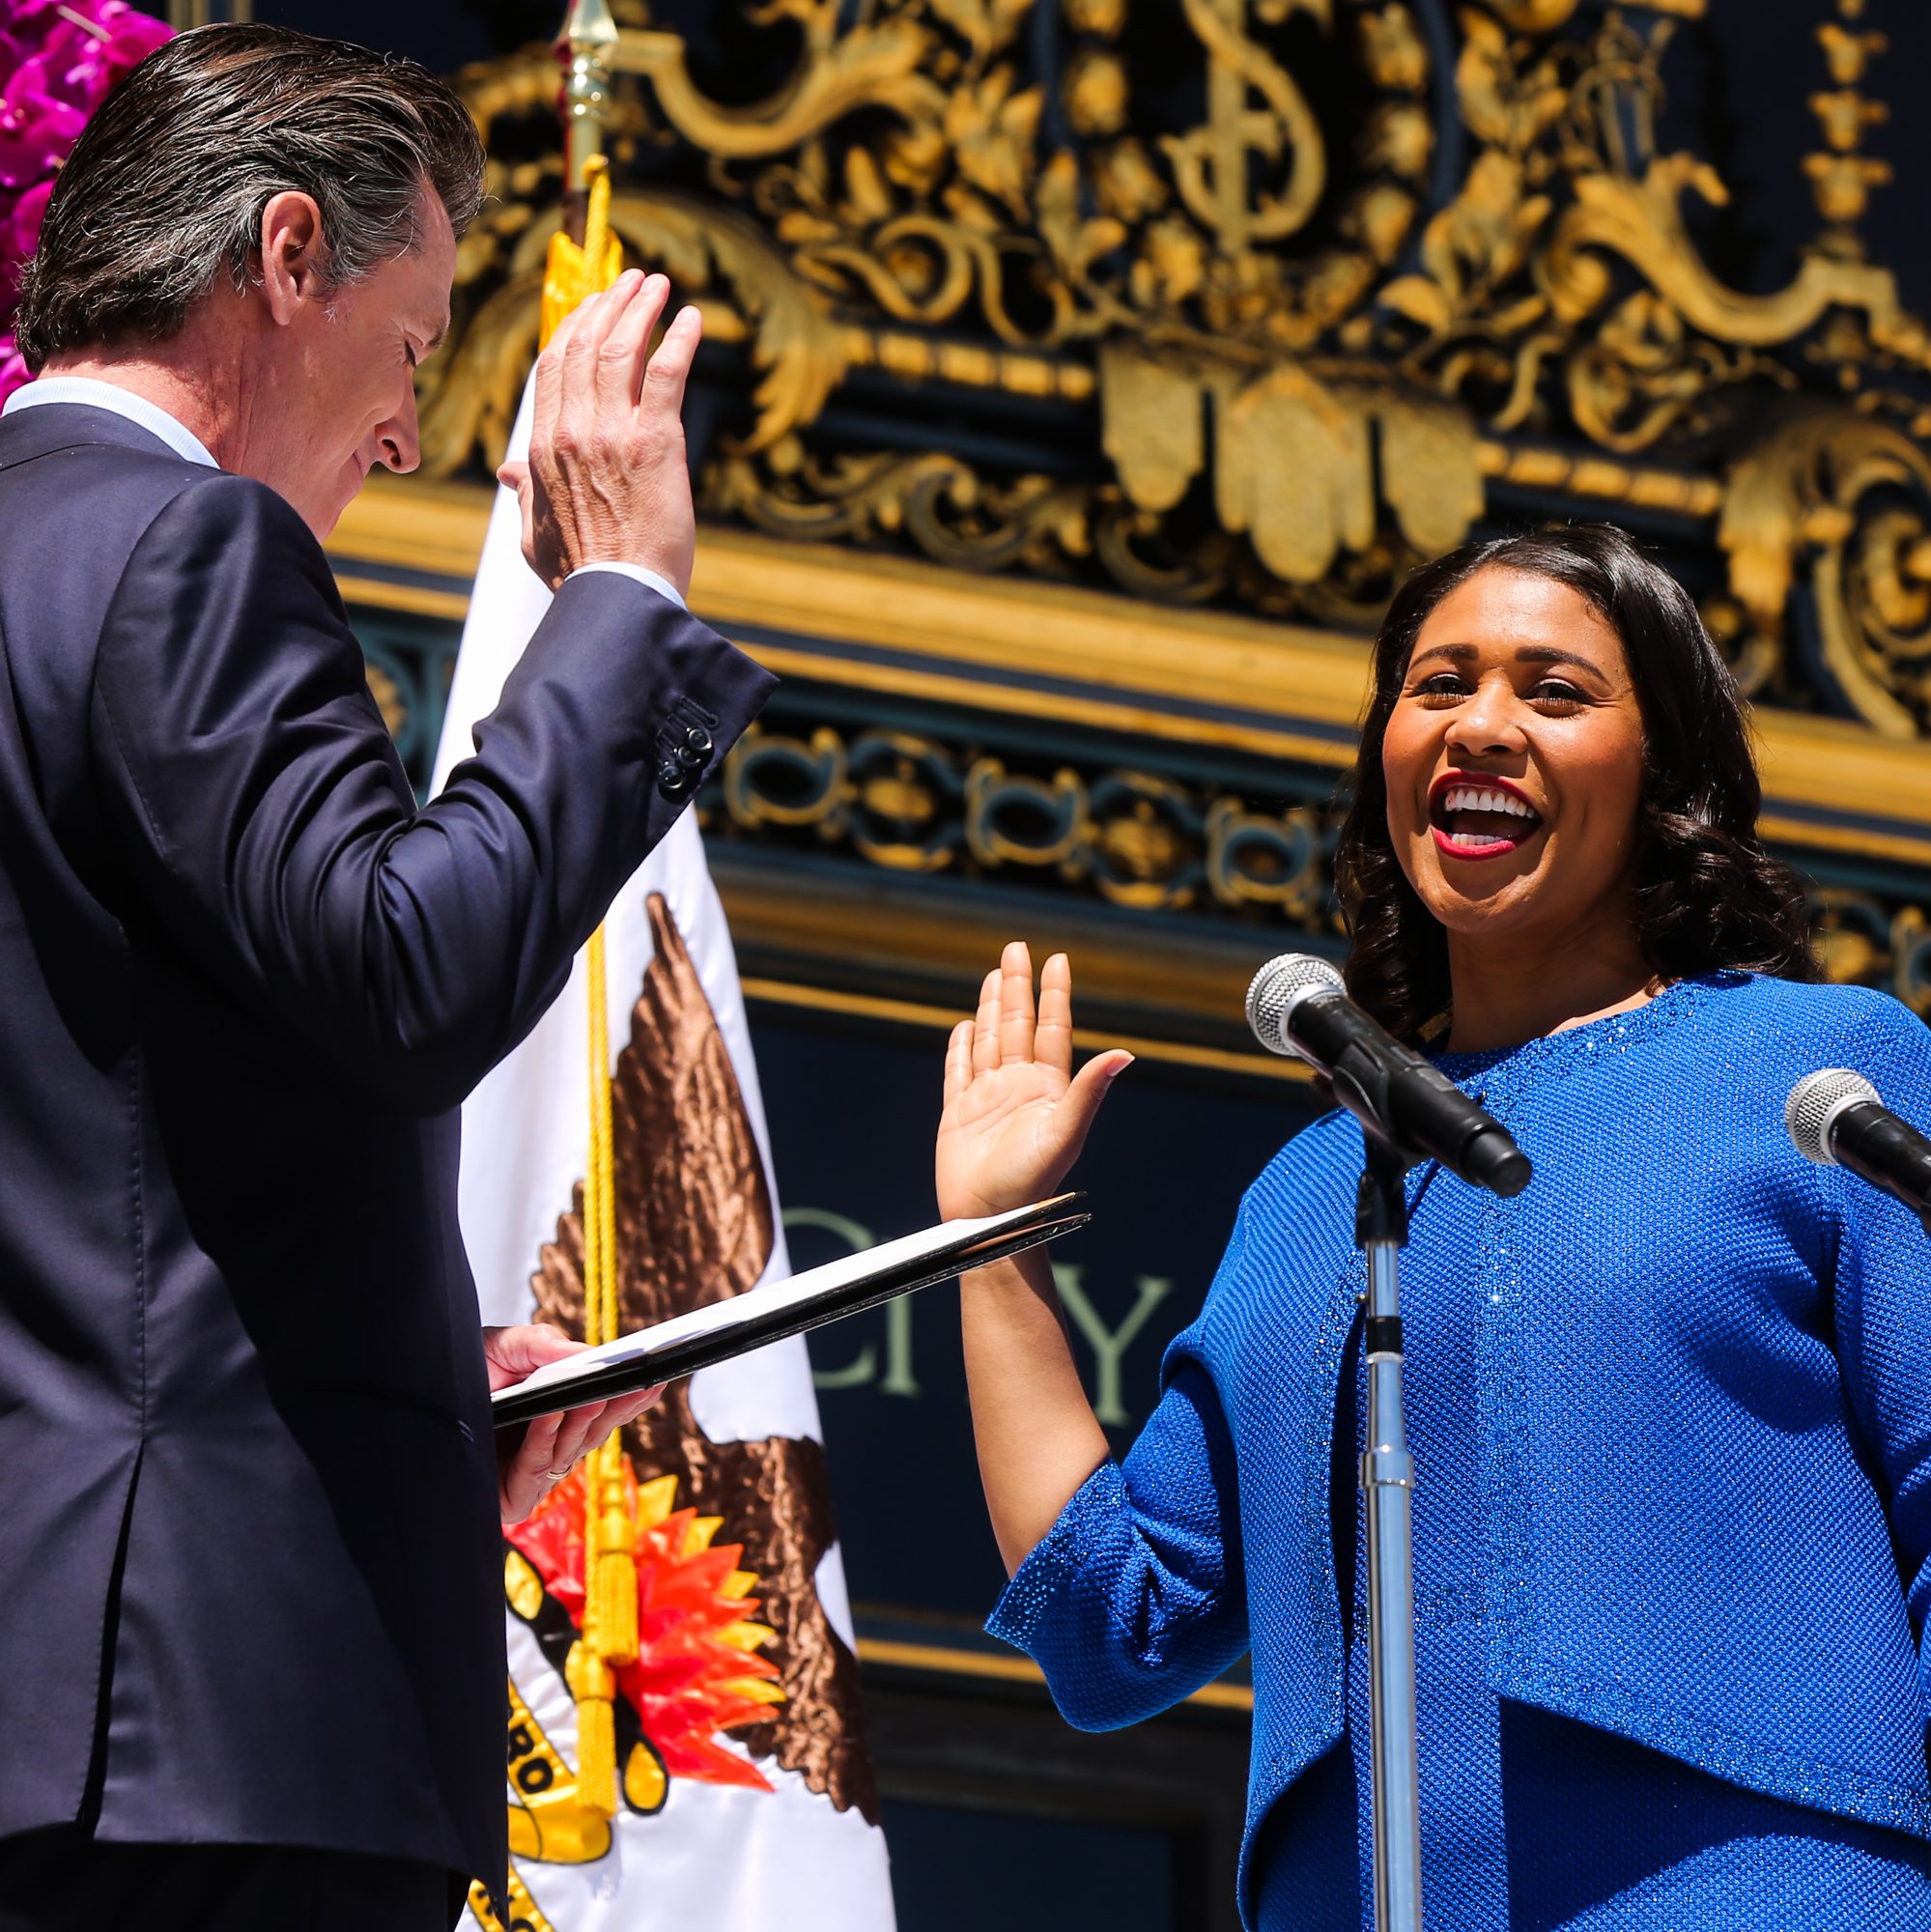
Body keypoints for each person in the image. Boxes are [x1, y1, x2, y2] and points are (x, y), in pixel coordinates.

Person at [0, 25, 774, 1932]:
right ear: (283, 256)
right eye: (417, 343)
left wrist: (420, 1395)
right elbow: (405, 964)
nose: (409, 434)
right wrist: (617, 609)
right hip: (188, 1732)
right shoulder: (180, 544)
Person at [936, 525, 1931, 1929]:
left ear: (1667, 774)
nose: (1482, 726)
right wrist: (995, 1249)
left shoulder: (1817, 1075)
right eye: (1439, 685)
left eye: (1557, 692)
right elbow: (1113, 1627)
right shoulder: (1306, 1192)